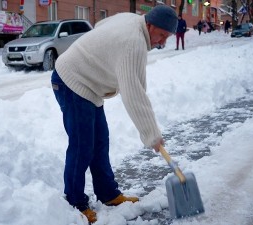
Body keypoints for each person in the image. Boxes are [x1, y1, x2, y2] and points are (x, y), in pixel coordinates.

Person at [51, 5, 177, 224]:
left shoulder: (131, 20)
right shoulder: (133, 43)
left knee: (100, 141)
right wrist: (151, 135)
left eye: (167, 37)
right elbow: (133, 93)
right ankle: (74, 203)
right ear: (150, 25)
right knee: (82, 146)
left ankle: (108, 193)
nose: (162, 41)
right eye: (162, 35)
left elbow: (101, 26)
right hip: (72, 80)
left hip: (89, 84)